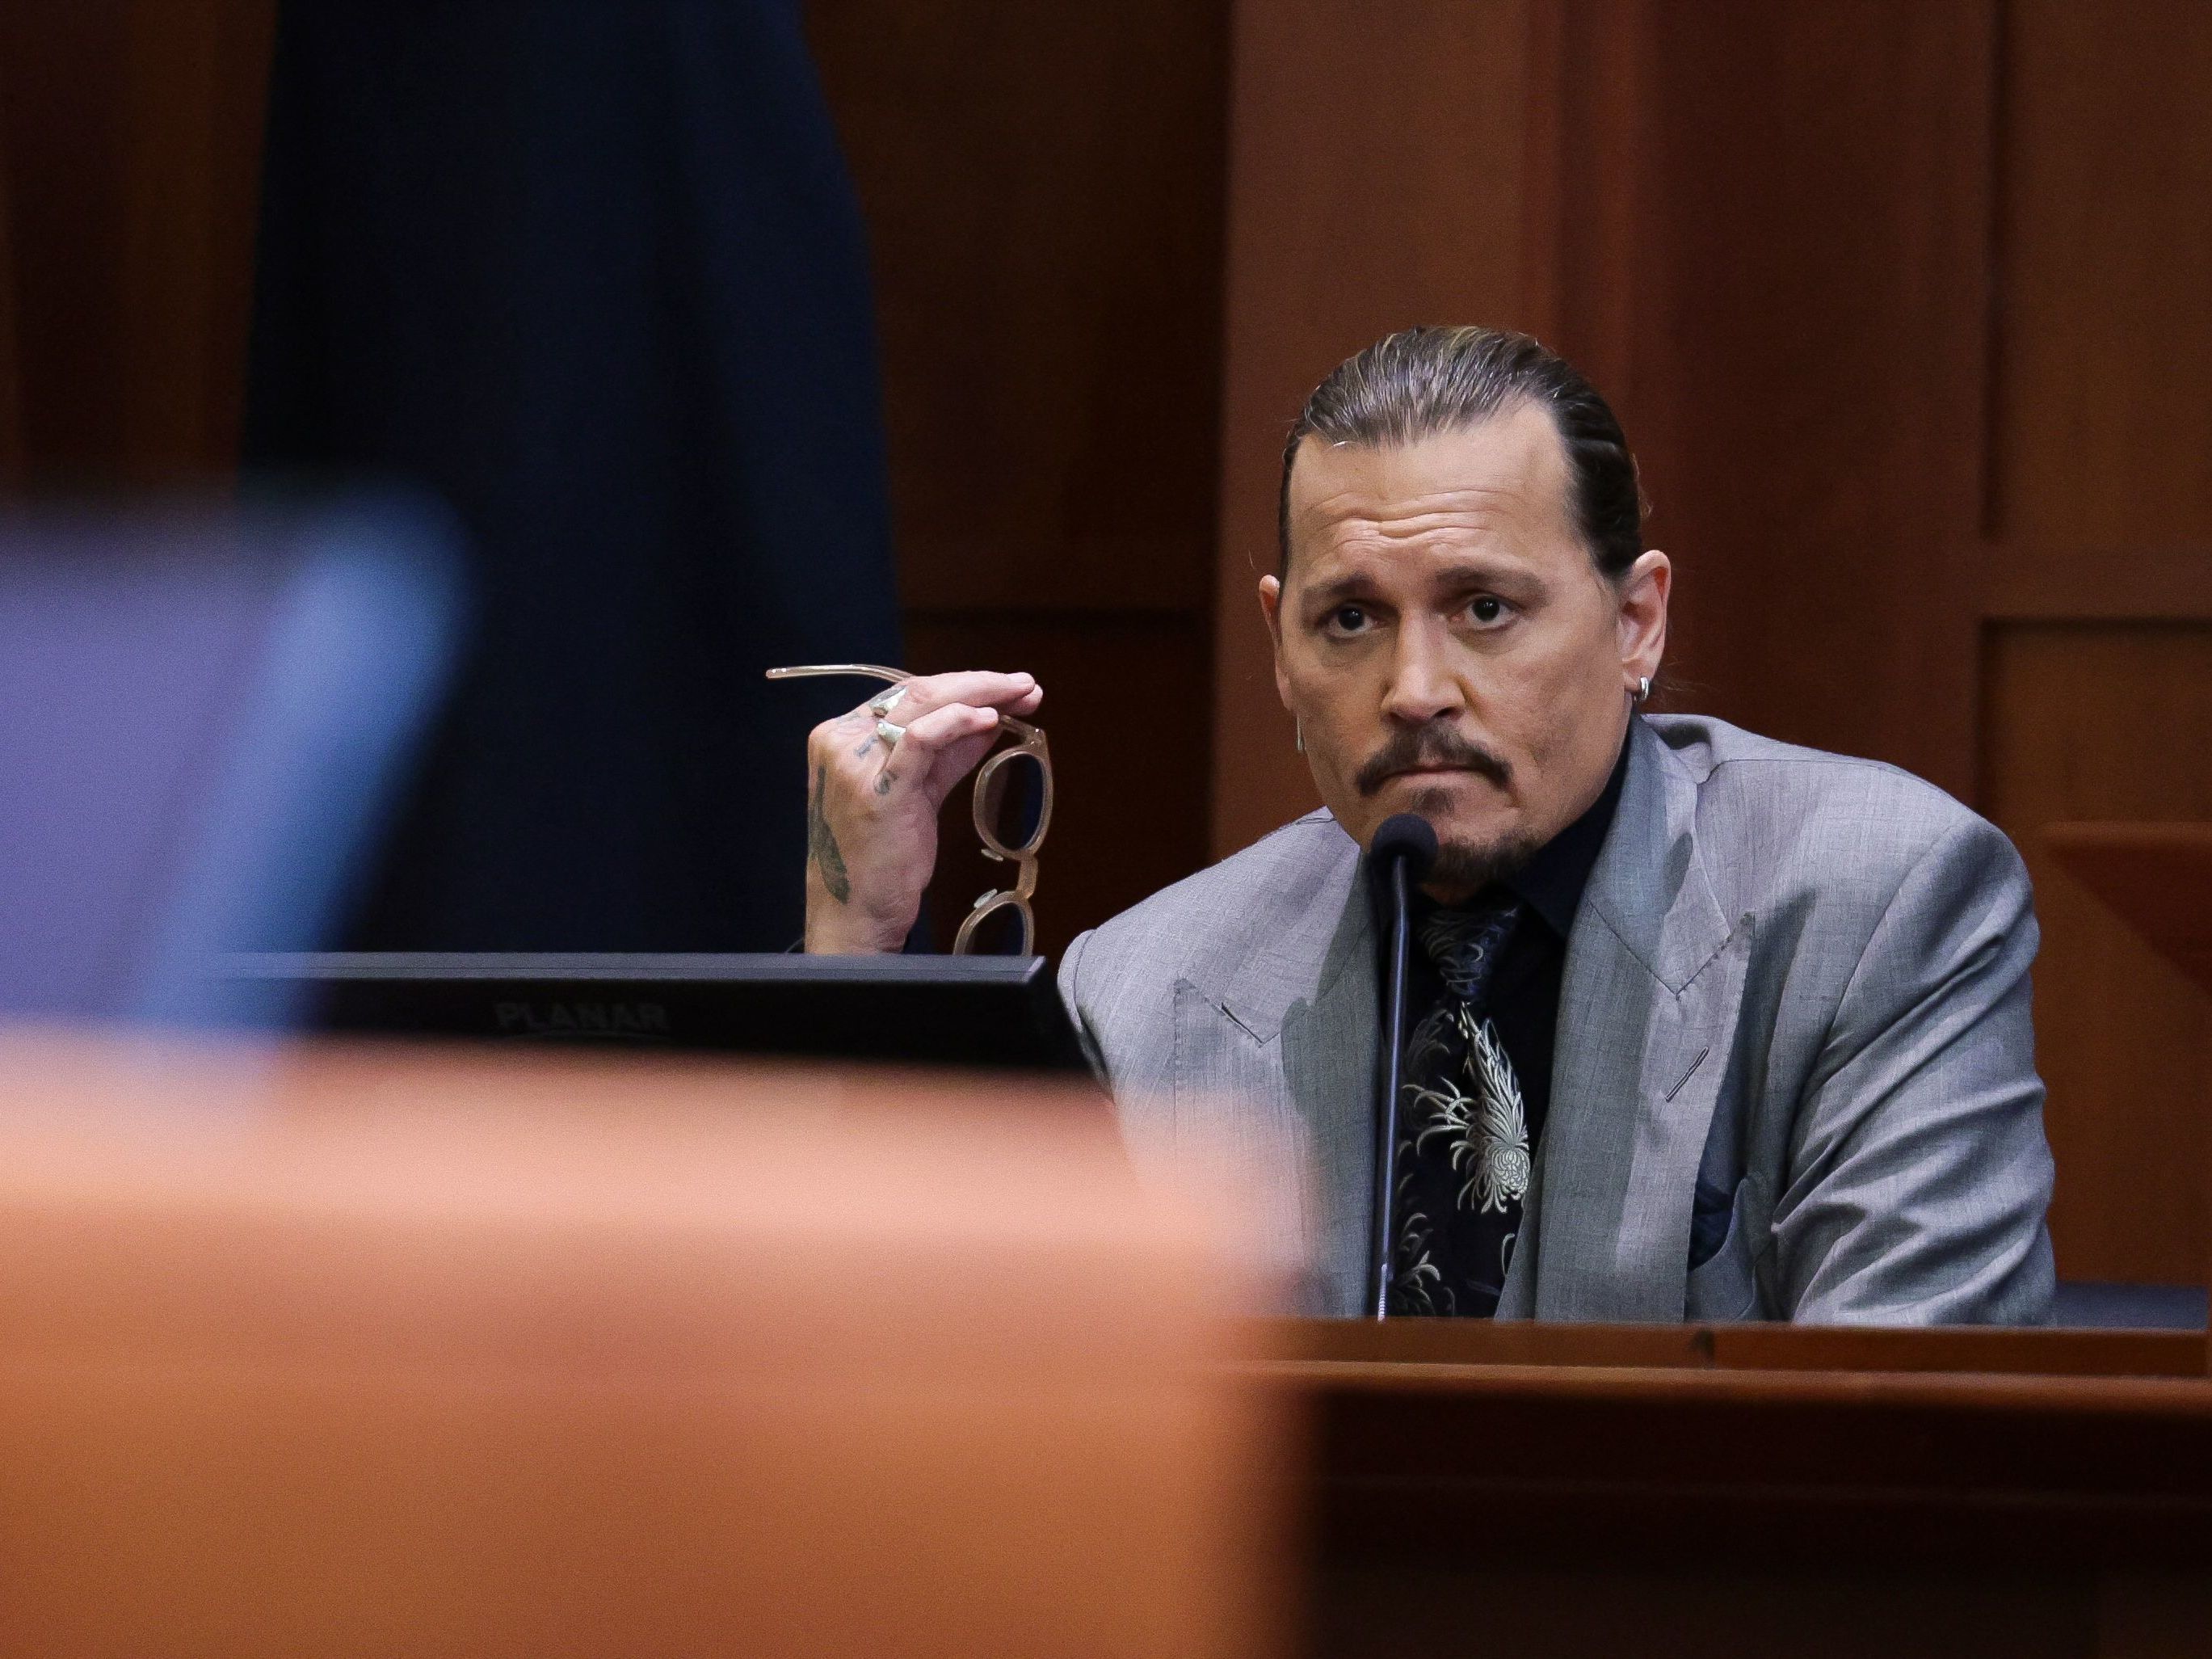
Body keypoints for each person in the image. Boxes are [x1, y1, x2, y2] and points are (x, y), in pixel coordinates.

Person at [801, 326, 2055, 1324]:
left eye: (1483, 608)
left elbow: (1911, 1440)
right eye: (1350, 618)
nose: (1413, 688)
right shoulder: (1147, 990)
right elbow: (926, 1407)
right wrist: (857, 939)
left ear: (1636, 625)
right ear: (1279, 649)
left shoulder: (1872, 899)